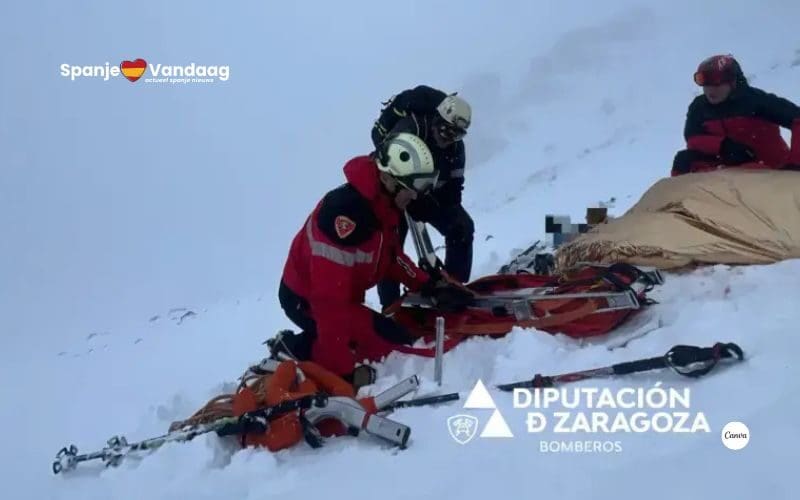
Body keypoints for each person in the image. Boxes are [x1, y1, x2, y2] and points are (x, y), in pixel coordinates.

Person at [273, 132, 474, 382]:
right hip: (306, 301)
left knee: (396, 337)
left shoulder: (384, 205)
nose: (415, 196)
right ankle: (291, 350)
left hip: (342, 298)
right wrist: (343, 372)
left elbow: (390, 257)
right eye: (412, 189)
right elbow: (328, 303)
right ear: (389, 179)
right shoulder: (344, 217)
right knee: (387, 346)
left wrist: (428, 284)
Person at [371, 85, 475, 309]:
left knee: (462, 227)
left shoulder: (456, 150)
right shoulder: (411, 129)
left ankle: (453, 284)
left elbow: (454, 188)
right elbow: (389, 169)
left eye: (457, 135)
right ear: (437, 119)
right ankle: (391, 305)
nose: (449, 138)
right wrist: (410, 198)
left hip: (426, 194)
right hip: (394, 193)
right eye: (446, 131)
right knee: (390, 246)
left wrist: (442, 210)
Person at [672, 54, 800, 176]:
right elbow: (693, 138)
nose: (710, 89)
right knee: (683, 160)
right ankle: (683, 192)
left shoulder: (757, 101)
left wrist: (795, 164)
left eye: (717, 83)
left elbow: (797, 118)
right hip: (729, 169)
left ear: (733, 82)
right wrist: (723, 146)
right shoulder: (699, 107)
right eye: (705, 83)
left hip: (771, 170)